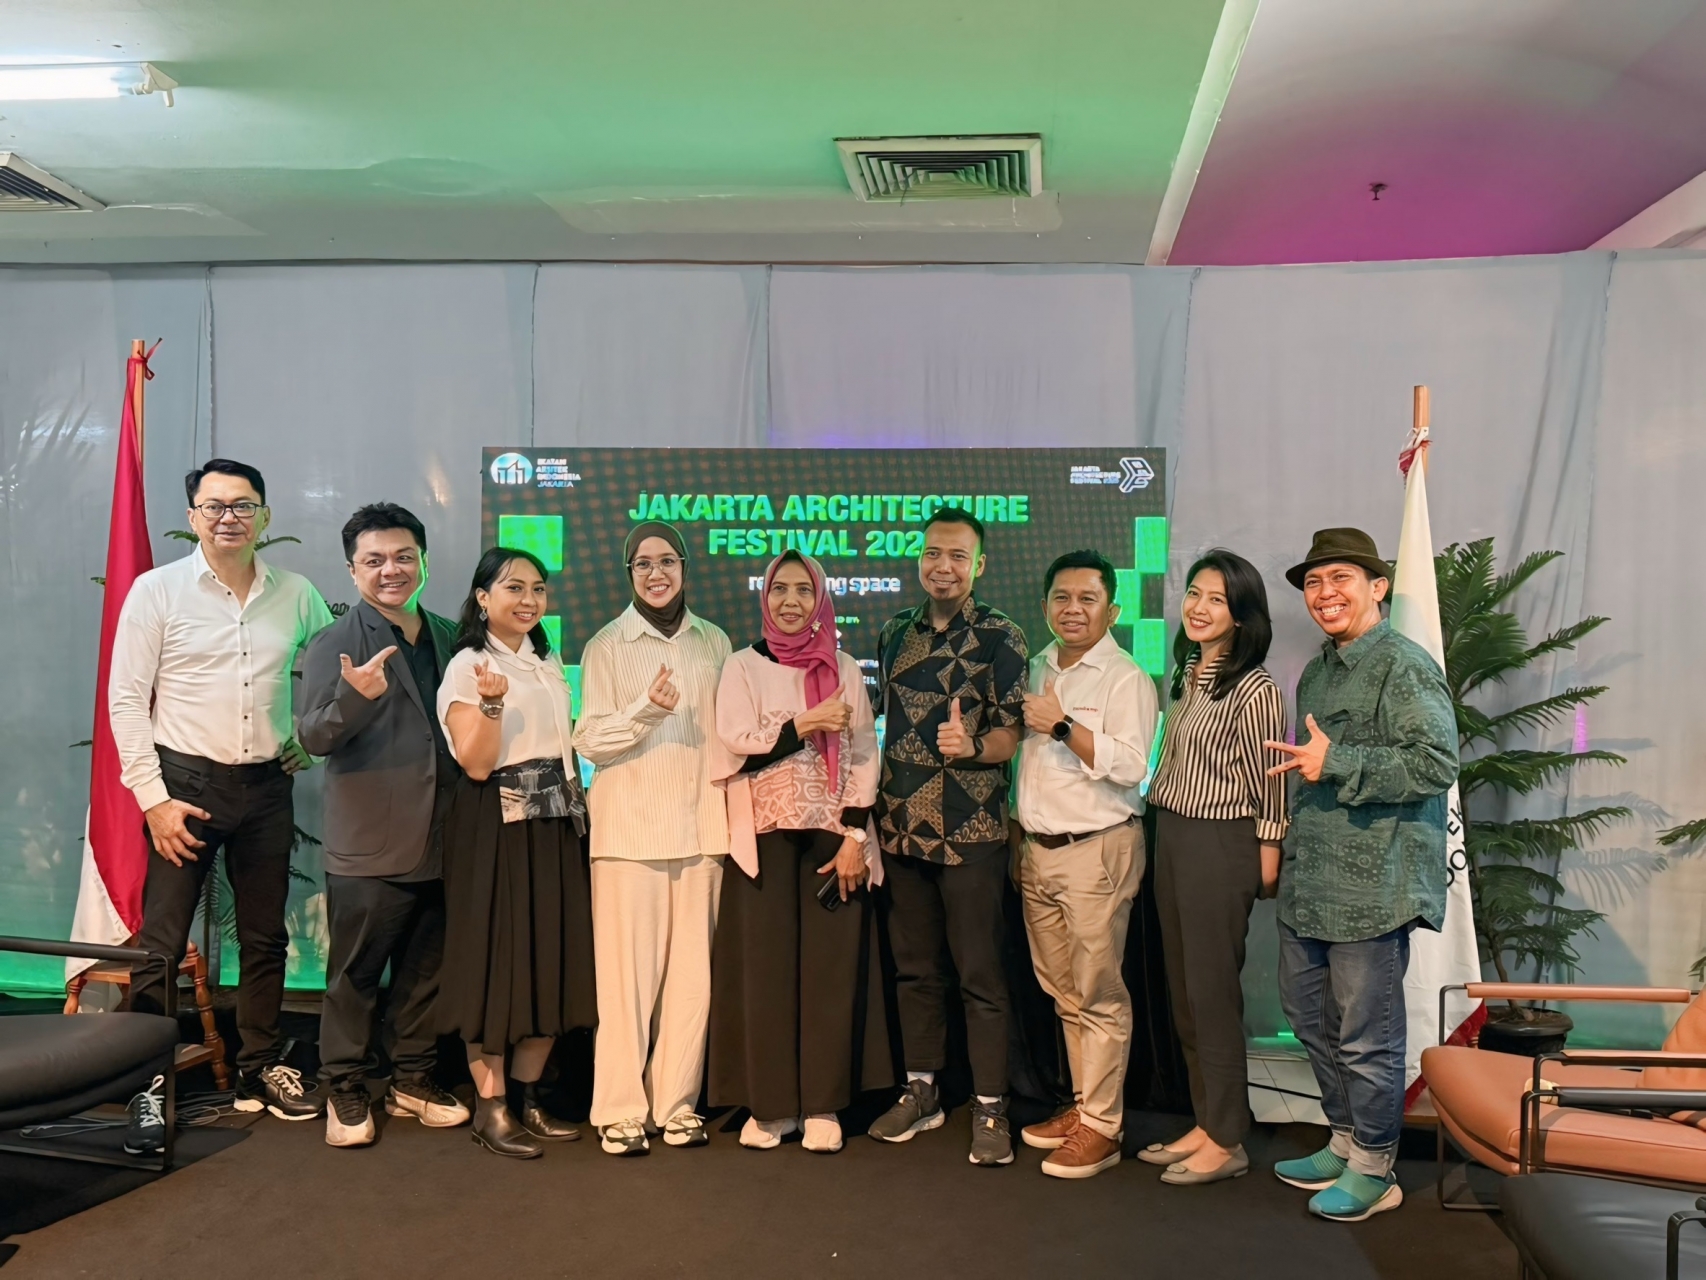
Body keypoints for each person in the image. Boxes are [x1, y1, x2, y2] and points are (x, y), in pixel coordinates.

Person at [110, 459, 332, 1126]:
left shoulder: (296, 592)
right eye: (215, 507)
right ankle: (145, 1083)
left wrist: (308, 737)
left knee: (265, 938)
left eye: (243, 506)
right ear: (193, 518)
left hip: (265, 789)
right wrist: (153, 799)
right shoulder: (158, 592)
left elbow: (331, 671)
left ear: (265, 516)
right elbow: (125, 700)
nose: (229, 517)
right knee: (162, 944)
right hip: (184, 789)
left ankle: (259, 1069)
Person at [1264, 528, 1457, 1222]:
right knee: (1308, 1020)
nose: (1325, 594)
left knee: (1365, 1035)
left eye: (1341, 578)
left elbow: (1437, 765)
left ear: (1378, 587)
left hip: (1372, 893)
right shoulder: (1319, 670)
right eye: (1314, 583)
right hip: (1311, 884)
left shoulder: (1403, 665)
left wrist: (1339, 762)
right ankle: (1344, 1140)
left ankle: (1377, 1167)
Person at [298, 503, 471, 1148]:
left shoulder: (453, 636)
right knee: (356, 976)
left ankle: (412, 1078)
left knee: (427, 971)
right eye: (374, 561)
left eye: (403, 557)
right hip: (371, 845)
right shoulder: (334, 643)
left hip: (447, 837)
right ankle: (343, 1085)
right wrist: (353, 698)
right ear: (352, 571)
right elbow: (312, 736)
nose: (390, 570)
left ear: (423, 562)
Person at [708, 551, 888, 1155]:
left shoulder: (843, 667)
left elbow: (864, 752)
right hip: (762, 837)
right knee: (767, 973)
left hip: (831, 838)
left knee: (828, 976)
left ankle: (822, 1105)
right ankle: (772, 1106)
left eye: (803, 591)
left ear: (820, 601)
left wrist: (855, 838)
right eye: (779, 589)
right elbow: (737, 744)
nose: (791, 601)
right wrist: (804, 724)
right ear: (765, 596)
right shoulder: (740, 665)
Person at [867, 507, 1029, 1167]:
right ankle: (922, 1089)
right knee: (914, 972)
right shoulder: (892, 632)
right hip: (902, 830)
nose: (944, 566)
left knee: (981, 976)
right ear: (919, 558)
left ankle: (991, 1105)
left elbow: (1014, 734)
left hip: (973, 832)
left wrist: (972, 745)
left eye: (958, 555)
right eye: (934, 553)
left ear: (979, 564)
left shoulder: (1002, 637)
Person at [574, 521, 732, 1156]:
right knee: (626, 986)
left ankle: (676, 1106)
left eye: (667, 561)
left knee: (693, 984)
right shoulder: (606, 645)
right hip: (626, 836)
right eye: (643, 564)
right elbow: (590, 741)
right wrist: (647, 709)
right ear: (629, 574)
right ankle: (618, 1109)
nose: (657, 573)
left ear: (686, 568)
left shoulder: (714, 642)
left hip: (703, 831)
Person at [437, 547, 595, 1159]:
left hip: (555, 825)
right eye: (512, 588)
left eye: (538, 589)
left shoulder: (547, 662)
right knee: (498, 965)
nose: (528, 600)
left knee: (549, 961)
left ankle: (531, 1099)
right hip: (495, 829)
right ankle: (492, 1108)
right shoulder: (468, 665)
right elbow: (476, 763)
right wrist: (494, 703)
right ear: (482, 598)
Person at [1141, 549, 1288, 1185]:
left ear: (1242, 614)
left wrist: (1267, 860)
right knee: (1185, 997)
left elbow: (1272, 783)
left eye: (1217, 600)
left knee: (1212, 994)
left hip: (1221, 843)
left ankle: (1229, 1141)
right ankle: (1208, 1122)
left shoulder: (1256, 688)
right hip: (1171, 833)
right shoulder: (1186, 672)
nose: (1200, 609)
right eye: (1195, 594)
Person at [1012, 550, 1157, 1180]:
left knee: (1098, 993)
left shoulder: (1126, 678)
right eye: (1062, 598)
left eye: (1087, 599)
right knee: (1064, 992)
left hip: (1097, 851)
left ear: (1112, 609)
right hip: (1037, 852)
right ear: (1046, 605)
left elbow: (1131, 767)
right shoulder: (1036, 665)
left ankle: (1103, 1128)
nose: (1073, 610)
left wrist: (1062, 723)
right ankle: (1083, 1108)